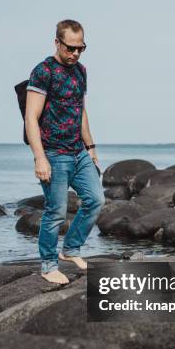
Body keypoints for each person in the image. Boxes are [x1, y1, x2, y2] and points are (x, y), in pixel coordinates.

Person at [25, 19, 105, 284]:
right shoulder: (43, 71)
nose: (75, 54)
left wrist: (91, 148)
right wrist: (40, 157)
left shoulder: (81, 70)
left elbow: (80, 112)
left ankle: (70, 250)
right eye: (70, 48)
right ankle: (48, 265)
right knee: (55, 211)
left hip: (78, 152)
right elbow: (31, 118)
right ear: (57, 42)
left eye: (80, 48)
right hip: (53, 154)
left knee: (95, 200)